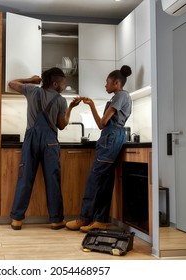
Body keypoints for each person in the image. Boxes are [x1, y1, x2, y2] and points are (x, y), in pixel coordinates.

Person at [9, 67, 81, 230]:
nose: (64, 87)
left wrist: (30, 80)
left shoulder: (32, 91)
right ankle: (56, 220)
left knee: (25, 178)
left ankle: (17, 220)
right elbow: (62, 125)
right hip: (50, 143)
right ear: (55, 84)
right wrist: (71, 108)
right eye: (63, 84)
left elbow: (12, 83)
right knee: (52, 180)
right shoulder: (61, 100)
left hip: (31, 140)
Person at [66, 65, 132, 233]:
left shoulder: (120, 97)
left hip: (110, 138)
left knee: (93, 181)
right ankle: (100, 221)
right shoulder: (124, 96)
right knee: (105, 182)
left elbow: (102, 124)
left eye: (107, 82)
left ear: (117, 83)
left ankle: (84, 219)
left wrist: (92, 105)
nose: (105, 85)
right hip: (114, 138)